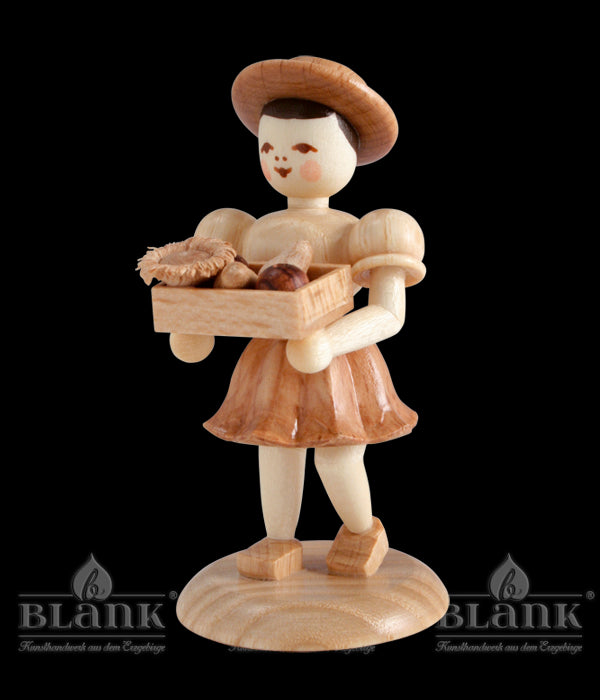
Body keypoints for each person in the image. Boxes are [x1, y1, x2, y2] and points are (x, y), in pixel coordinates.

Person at [170, 56, 426, 579]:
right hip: (272, 358)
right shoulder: (242, 229)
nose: (282, 162)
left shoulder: (367, 228)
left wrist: (331, 341)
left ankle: (362, 530)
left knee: (337, 456)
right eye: (270, 150)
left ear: (349, 155)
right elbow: (223, 297)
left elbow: (388, 312)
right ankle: (278, 541)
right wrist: (192, 323)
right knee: (275, 448)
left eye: (304, 150)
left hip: (338, 360)